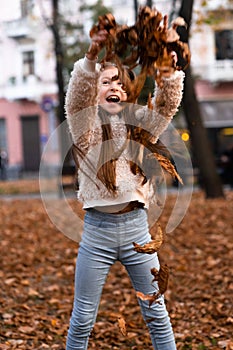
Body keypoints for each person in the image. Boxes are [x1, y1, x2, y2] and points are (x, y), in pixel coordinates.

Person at [65, 19, 185, 350]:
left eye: (119, 81)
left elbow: (166, 104)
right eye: (105, 81)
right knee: (83, 317)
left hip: (137, 232)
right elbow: (78, 95)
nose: (113, 86)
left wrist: (169, 70)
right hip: (96, 235)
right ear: (95, 90)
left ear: (128, 91)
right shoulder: (85, 129)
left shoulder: (140, 130)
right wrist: (91, 56)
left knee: (156, 313)